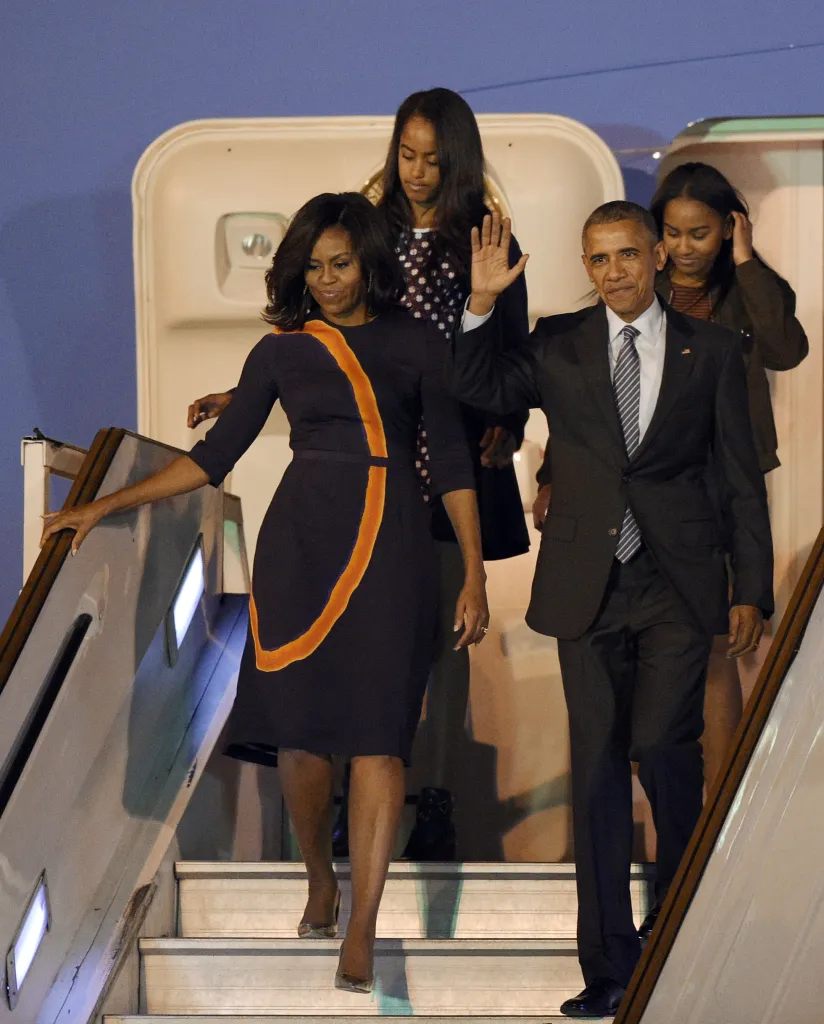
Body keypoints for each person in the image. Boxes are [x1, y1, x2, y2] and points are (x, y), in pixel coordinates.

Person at [41, 192, 488, 994]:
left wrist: (478, 575)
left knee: (381, 738)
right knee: (304, 741)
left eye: (341, 264)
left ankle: (363, 923)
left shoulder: (418, 342)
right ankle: (319, 872)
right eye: (313, 268)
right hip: (301, 548)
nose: (327, 280)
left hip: (393, 546)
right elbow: (211, 460)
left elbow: (452, 461)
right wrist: (102, 507)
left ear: (369, 264)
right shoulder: (280, 352)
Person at [448, 205, 773, 1018]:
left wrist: (751, 588)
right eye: (599, 258)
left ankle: (676, 928)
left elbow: (740, 478)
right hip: (587, 584)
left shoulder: (717, 352)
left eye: (629, 253)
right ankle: (608, 971)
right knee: (596, 769)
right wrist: (481, 306)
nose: (616, 270)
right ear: (586, 266)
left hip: (677, 581)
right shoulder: (558, 343)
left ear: (659, 255)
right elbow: (475, 384)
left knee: (666, 748)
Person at [188, 88, 530, 861]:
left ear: (459, 159)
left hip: (443, 459)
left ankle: (431, 802)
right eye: (406, 154)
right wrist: (244, 395)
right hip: (366, 468)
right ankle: (344, 806)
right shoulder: (366, 230)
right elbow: (321, 340)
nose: (416, 170)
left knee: (435, 642)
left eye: (433, 158)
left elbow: (510, 356)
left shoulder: (486, 239)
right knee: (355, 643)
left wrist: (502, 423)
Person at [534, 165, 807, 797]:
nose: (686, 247)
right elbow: (587, 414)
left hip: (710, 488)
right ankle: (664, 812)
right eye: (674, 234)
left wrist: (744, 260)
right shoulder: (620, 300)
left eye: (702, 233)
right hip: (633, 502)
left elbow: (787, 348)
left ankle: (713, 808)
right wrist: (552, 474)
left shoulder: (740, 297)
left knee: (712, 652)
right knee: (656, 680)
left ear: (727, 229)